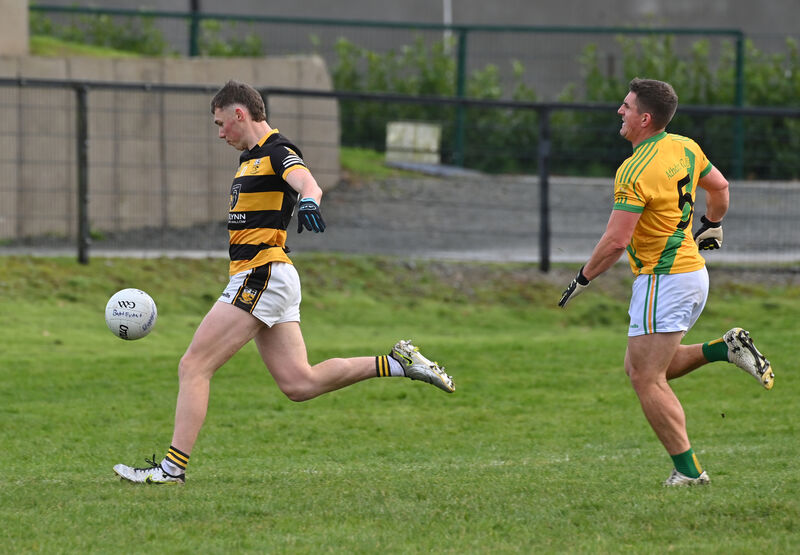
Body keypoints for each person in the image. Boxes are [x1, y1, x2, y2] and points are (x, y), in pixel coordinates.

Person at [114, 80, 455, 485]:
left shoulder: (278, 152)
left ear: (240, 114)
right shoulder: (248, 160)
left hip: (263, 273)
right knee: (299, 383)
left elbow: (307, 182)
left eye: (222, 123)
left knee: (193, 366)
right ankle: (397, 363)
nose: (220, 133)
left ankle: (171, 470)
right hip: (269, 275)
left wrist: (310, 199)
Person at [558, 78, 774, 487]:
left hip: (664, 280)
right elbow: (721, 188)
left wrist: (583, 278)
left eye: (625, 106)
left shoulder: (634, 169)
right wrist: (712, 224)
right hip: (693, 275)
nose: (618, 112)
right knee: (642, 367)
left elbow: (616, 241)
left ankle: (689, 473)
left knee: (645, 378)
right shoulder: (685, 147)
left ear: (644, 117)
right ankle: (724, 349)